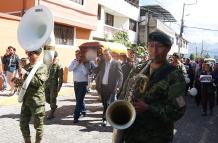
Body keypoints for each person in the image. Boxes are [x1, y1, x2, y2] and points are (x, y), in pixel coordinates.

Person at [119, 31, 186, 143]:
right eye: (151, 46)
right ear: (147, 46)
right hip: (131, 133)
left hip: (156, 136)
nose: (154, 51)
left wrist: (149, 108)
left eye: (159, 47)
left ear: (168, 49)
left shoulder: (175, 76)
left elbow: (178, 110)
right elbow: (123, 93)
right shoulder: (137, 68)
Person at [19, 48, 48, 143]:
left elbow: (38, 82)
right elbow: (24, 83)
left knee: (38, 126)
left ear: (37, 54)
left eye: (31, 54)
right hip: (26, 100)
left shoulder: (42, 67)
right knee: (23, 124)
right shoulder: (27, 66)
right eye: (28, 54)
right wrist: (17, 80)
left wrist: (26, 73)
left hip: (37, 101)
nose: (29, 56)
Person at [95, 49, 123, 126]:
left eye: (107, 54)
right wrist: (96, 64)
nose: (105, 56)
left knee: (107, 102)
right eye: (104, 55)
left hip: (111, 87)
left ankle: (104, 119)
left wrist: (118, 86)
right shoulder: (102, 63)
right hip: (102, 86)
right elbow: (96, 70)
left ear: (111, 54)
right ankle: (109, 116)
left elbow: (120, 76)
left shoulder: (116, 63)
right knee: (104, 103)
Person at [68, 50, 89, 123]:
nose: (78, 56)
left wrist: (82, 64)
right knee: (78, 99)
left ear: (81, 55)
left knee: (79, 100)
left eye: (79, 55)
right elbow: (69, 69)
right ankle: (83, 110)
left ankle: (76, 116)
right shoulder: (74, 61)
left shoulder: (85, 63)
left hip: (83, 84)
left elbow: (86, 73)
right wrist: (77, 63)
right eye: (76, 55)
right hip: (76, 83)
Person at [45, 51, 63, 119]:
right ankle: (54, 106)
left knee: (53, 98)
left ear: (55, 57)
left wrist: (59, 88)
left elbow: (61, 78)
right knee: (47, 99)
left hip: (53, 85)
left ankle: (52, 112)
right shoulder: (48, 64)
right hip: (46, 84)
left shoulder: (59, 65)